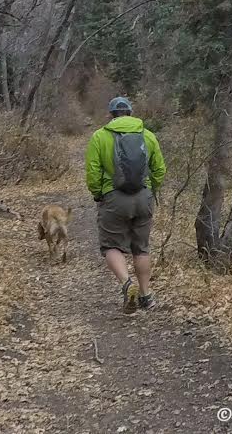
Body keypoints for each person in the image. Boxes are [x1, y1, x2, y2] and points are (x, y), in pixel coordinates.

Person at [85, 96, 166, 314]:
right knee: (141, 248)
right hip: (143, 197)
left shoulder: (99, 137)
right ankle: (146, 296)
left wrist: (98, 194)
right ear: (130, 113)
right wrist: (151, 190)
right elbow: (159, 169)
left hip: (113, 198)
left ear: (111, 115)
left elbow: (93, 172)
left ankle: (126, 284)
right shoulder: (147, 136)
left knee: (111, 246)